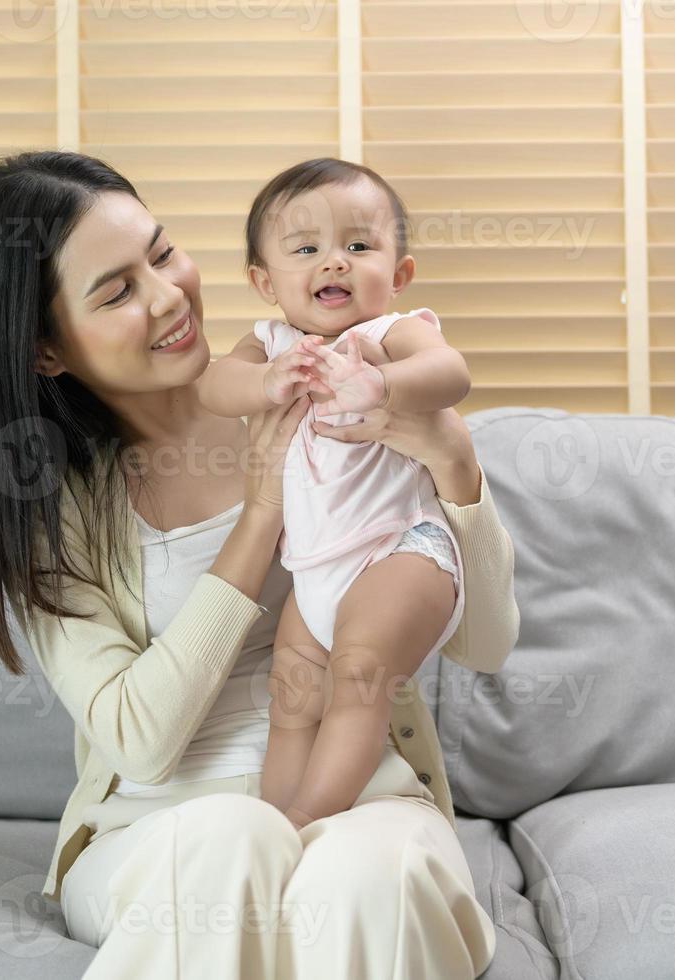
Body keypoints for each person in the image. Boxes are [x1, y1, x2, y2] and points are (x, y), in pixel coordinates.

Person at [0, 150, 519, 979]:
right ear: (44, 350)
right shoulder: (48, 509)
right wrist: (259, 518)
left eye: (161, 252)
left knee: (373, 876)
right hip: (157, 828)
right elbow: (136, 744)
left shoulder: (346, 405)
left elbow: (485, 647)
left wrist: (456, 470)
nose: (168, 294)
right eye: (116, 290)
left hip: (364, 798)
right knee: (232, 838)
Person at [197, 158, 474, 832]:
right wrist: (265, 383)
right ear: (265, 282)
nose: (335, 263)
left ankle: (309, 820)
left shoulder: (385, 335)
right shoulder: (268, 345)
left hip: (400, 551)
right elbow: (211, 386)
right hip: (314, 572)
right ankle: (272, 828)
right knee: (291, 700)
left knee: (357, 678)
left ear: (398, 274)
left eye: (358, 246)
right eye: (306, 249)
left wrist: (384, 385)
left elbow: (449, 372)